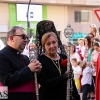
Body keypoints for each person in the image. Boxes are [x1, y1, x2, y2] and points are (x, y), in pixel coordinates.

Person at [0, 26, 42, 100]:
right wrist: (29, 69)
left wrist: (37, 70)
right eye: (23, 37)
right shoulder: (2, 55)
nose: (26, 40)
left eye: (26, 38)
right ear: (11, 38)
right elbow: (6, 82)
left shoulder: (25, 57)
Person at [38, 32, 80, 100]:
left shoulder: (64, 57)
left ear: (57, 43)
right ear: (44, 46)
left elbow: (71, 80)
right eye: (48, 44)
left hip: (64, 96)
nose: (52, 46)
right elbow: (44, 83)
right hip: (49, 97)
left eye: (54, 42)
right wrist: (63, 77)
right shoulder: (41, 60)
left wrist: (77, 96)